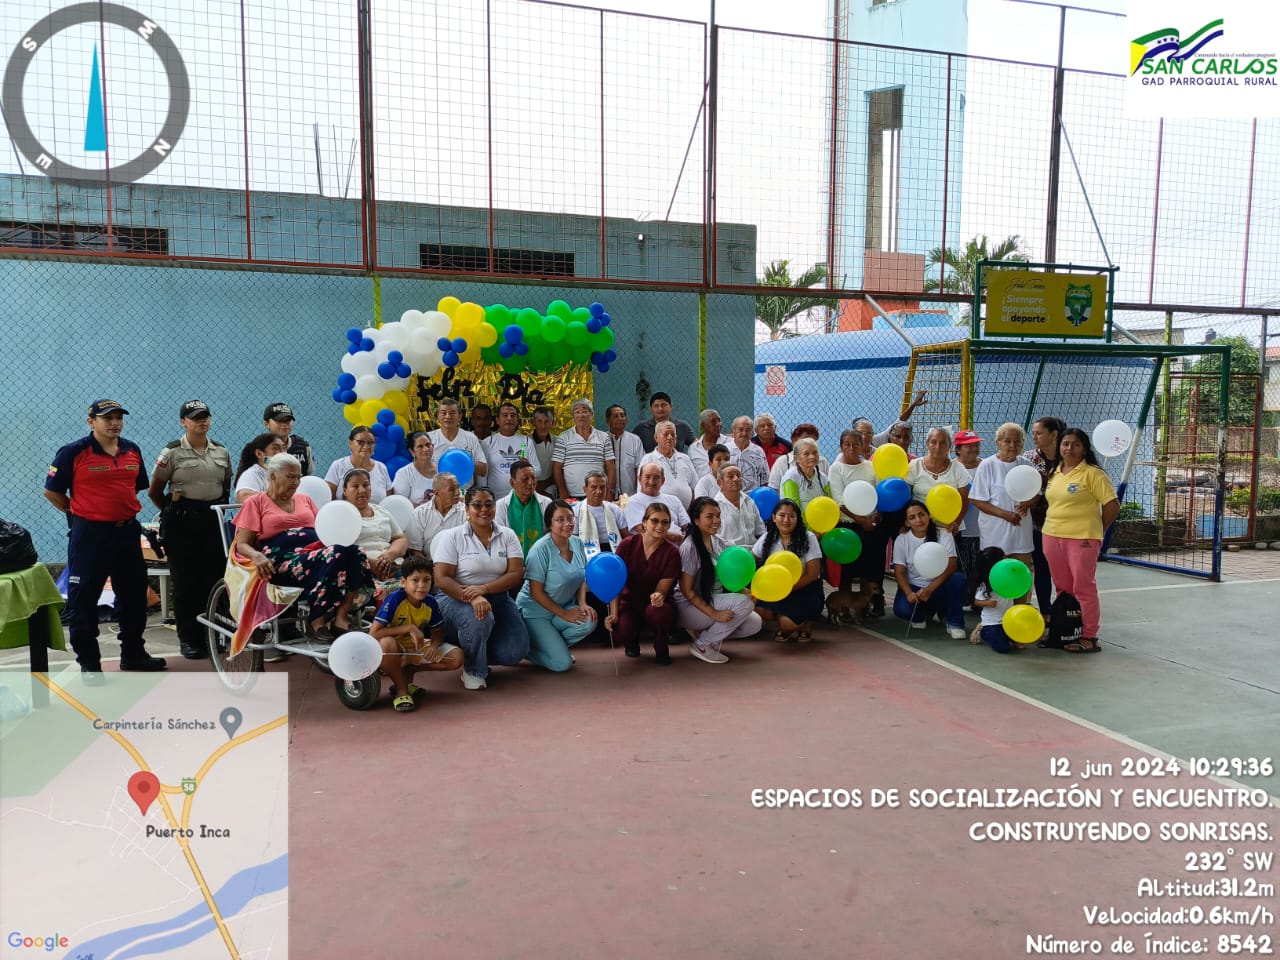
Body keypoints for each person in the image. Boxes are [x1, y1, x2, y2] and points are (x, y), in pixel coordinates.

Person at [44, 398, 166, 676]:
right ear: (91, 422)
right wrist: (78, 512)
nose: (115, 423)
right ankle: (89, 664)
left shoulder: (131, 450)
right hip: (90, 536)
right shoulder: (73, 452)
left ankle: (133, 655)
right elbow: (51, 491)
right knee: (84, 600)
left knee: (133, 597)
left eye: (118, 418)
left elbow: (134, 487)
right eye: (107, 418)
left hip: (126, 533)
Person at [233, 453, 373, 640]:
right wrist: (256, 556)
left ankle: (341, 616)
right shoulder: (256, 502)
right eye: (291, 477)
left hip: (315, 554)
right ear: (273, 475)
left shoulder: (304, 499)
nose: (296, 482)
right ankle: (317, 621)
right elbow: (242, 544)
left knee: (355, 551)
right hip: (281, 561)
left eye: (298, 477)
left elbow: (324, 528)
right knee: (335, 553)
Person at [147, 399, 233, 659]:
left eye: (204, 416)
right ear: (183, 422)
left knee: (214, 579)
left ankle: (212, 636)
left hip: (211, 521)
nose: (201, 421)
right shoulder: (172, 452)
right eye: (195, 417)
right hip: (182, 523)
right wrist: (174, 513)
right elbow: (155, 491)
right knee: (186, 583)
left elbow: (225, 486)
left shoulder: (221, 451)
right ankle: (189, 639)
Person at [431, 486, 530, 690]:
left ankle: (472, 649)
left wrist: (484, 589)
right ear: (467, 509)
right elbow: (441, 578)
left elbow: (515, 573)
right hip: (455, 598)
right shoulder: (453, 536)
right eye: (477, 505)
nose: (484, 509)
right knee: (479, 617)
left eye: (489, 504)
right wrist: (473, 597)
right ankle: (474, 669)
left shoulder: (507, 535)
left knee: (515, 651)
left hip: (498, 597)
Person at [1041, 427, 1120, 654]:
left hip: (1082, 539)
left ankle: (1089, 636)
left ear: (1084, 449)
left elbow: (1112, 505)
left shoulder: (1093, 473)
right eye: (1065, 444)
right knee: (1063, 588)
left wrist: (1097, 530)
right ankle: (1065, 630)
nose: (1069, 448)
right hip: (1051, 535)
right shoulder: (1055, 471)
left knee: (1083, 587)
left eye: (1076, 444)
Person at [370, 556, 464, 712]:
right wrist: (408, 628)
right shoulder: (395, 599)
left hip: (414, 648)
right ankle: (401, 690)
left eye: (427, 580)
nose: (421, 585)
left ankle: (408, 672)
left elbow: (437, 631)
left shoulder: (430, 601)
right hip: (392, 652)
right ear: (403, 582)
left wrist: (434, 646)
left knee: (456, 657)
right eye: (415, 580)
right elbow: (374, 633)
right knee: (387, 643)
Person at [675, 497, 762, 663]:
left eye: (718, 516)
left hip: (712, 598)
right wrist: (713, 613)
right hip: (688, 606)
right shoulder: (690, 547)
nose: (716, 521)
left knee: (754, 624)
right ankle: (703, 645)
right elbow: (687, 591)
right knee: (744, 604)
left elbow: (725, 576)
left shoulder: (718, 542)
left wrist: (744, 591)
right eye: (709, 516)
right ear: (696, 520)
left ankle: (703, 634)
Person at [516, 500, 596, 672]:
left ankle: (554, 648)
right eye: (560, 520)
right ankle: (523, 651)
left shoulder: (577, 543)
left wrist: (582, 603)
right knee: (562, 664)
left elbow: (581, 576)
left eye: (570, 518)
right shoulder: (540, 550)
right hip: (535, 612)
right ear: (549, 524)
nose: (567, 523)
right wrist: (564, 614)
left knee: (589, 620)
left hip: (562, 607)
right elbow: (536, 593)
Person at [605, 502, 682, 665]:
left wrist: (658, 596)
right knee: (620, 631)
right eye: (654, 521)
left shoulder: (672, 552)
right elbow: (615, 582)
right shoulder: (627, 545)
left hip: (657, 604)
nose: (660, 526)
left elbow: (662, 589)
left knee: (659, 613)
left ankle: (661, 647)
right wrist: (614, 613)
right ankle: (631, 643)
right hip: (629, 603)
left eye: (665, 522)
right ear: (644, 523)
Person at [891, 500, 968, 639]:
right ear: (907, 522)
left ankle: (955, 623)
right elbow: (899, 571)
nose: (918, 520)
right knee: (902, 609)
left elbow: (952, 565)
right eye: (912, 517)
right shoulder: (902, 540)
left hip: (939, 586)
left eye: (922, 514)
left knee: (958, 580)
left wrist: (930, 589)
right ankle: (922, 615)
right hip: (916, 588)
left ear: (929, 515)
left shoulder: (944, 534)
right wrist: (909, 593)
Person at [751, 499, 824, 642]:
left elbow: (812, 574)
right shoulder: (767, 537)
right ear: (774, 517)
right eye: (782, 515)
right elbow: (750, 561)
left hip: (804, 589)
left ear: (797, 519)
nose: (786, 520)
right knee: (758, 609)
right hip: (777, 590)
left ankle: (803, 623)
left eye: (792, 516)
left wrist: (786, 589)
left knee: (787, 624)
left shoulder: (808, 537)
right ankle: (786, 620)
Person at [968, 422, 1036, 574]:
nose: (1012, 445)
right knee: (996, 576)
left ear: (1022, 443)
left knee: (1021, 575)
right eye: (1007, 441)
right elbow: (977, 499)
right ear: (998, 442)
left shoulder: (1026, 465)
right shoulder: (987, 465)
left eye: (1017, 441)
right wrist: (1006, 515)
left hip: (1021, 534)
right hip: (995, 534)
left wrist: (1028, 503)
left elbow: (1037, 493)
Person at [828, 428, 883, 607]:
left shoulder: (871, 467)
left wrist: (874, 517)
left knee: (869, 566)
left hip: (870, 523)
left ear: (863, 446)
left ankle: (866, 606)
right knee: (848, 570)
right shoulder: (836, 469)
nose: (851, 448)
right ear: (841, 447)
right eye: (847, 444)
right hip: (848, 525)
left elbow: (879, 493)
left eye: (855, 444)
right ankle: (844, 607)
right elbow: (839, 500)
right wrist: (861, 520)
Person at [1027, 415, 1067, 615]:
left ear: (1054, 435)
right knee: (1041, 567)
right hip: (1038, 524)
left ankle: (1068, 607)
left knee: (1064, 569)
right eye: (1033, 433)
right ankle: (1046, 610)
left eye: (1039, 433)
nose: (1034, 437)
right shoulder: (1028, 459)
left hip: (1066, 524)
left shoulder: (1069, 458)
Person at [341, 469, 408, 582]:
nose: (362, 490)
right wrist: (371, 563)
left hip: (395, 566)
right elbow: (342, 550)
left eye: (366, 485)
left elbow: (400, 538)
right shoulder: (342, 515)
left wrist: (391, 554)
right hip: (362, 571)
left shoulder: (381, 511)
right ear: (345, 491)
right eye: (355, 486)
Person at [904, 427, 972, 530]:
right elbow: (905, 496)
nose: (938, 447)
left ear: (950, 446)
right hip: (919, 527)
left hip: (948, 527)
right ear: (927, 444)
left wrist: (957, 522)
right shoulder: (915, 466)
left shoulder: (958, 468)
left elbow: (965, 500)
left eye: (943, 443)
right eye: (933, 442)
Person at [552, 398, 616, 499]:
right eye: (577, 412)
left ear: (592, 414)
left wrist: (610, 492)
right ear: (573, 416)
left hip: (598, 493)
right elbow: (556, 467)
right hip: (572, 495)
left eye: (584, 411)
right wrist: (563, 492)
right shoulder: (563, 437)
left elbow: (610, 467)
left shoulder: (604, 437)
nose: (581, 415)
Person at [482, 403, 540, 500]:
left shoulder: (526, 441)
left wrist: (528, 466)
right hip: (496, 498)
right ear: (497, 420)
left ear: (517, 420)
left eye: (513, 415)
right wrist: (484, 494)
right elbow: (482, 474)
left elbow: (538, 471)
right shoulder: (488, 442)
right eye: (505, 415)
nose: (509, 418)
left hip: (522, 498)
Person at [953, 430, 985, 602]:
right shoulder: (951, 468)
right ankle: (965, 599)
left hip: (984, 530)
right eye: (968, 446)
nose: (974, 449)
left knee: (981, 568)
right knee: (963, 568)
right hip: (960, 530)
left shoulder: (986, 466)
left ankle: (979, 600)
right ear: (958, 449)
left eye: (976, 445)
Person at [494, 460, 551, 557]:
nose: (531, 482)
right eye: (525, 479)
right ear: (512, 482)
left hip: (541, 557)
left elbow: (550, 535)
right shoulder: (501, 505)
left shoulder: (546, 503)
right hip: (511, 558)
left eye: (533, 478)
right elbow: (500, 538)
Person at [638, 421, 699, 509]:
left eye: (673, 435)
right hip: (659, 512)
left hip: (686, 512)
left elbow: (695, 487)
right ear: (656, 437)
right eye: (665, 434)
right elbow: (642, 490)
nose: (670, 437)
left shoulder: (685, 458)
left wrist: (692, 509)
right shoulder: (648, 459)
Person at [428, 398, 486, 490]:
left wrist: (462, 462)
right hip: (437, 492)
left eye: (452, 413)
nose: (448, 416)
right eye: (443, 413)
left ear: (459, 416)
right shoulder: (428, 439)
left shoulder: (470, 437)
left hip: (465, 492)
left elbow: (483, 470)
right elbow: (419, 467)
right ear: (438, 416)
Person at [624, 463, 690, 541]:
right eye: (647, 477)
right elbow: (644, 530)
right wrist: (678, 537)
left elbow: (687, 526)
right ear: (639, 479)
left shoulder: (674, 500)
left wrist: (686, 538)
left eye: (656, 477)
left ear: (663, 481)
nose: (651, 482)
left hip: (681, 543)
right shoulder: (634, 501)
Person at [325, 425, 392, 502]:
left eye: (370, 442)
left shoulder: (381, 467)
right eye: (360, 442)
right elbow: (328, 497)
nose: (366, 446)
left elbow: (388, 499)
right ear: (350, 443)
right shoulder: (338, 466)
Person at [971, 546, 1017, 654]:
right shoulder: (985, 585)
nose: (1006, 560)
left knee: (1020, 643)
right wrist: (988, 603)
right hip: (992, 623)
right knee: (1003, 648)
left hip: (1009, 620)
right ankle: (982, 629)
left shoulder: (1009, 579)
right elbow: (975, 601)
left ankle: (1008, 637)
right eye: (1003, 558)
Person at [407, 473, 465, 558]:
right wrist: (429, 565)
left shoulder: (465, 512)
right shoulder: (419, 514)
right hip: (427, 563)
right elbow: (415, 551)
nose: (457, 493)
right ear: (436, 493)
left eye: (458, 488)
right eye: (451, 489)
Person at [573, 471, 626, 557]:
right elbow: (573, 540)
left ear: (606, 489)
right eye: (594, 487)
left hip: (612, 550)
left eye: (602, 487)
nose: (598, 491)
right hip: (585, 551)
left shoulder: (615, 509)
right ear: (585, 489)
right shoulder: (576, 511)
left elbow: (626, 536)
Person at [714, 464, 766, 547]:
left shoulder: (749, 501)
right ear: (720, 482)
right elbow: (715, 540)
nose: (736, 479)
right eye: (730, 476)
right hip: (730, 552)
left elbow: (760, 531)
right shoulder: (715, 506)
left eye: (738, 476)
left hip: (753, 551)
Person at [768, 424, 828, 491]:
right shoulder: (782, 462)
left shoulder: (822, 462)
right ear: (794, 441)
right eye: (804, 440)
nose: (809, 444)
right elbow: (774, 489)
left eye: (812, 441)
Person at [780, 437, 832, 513]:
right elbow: (793, 509)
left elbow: (829, 503)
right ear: (796, 458)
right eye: (806, 454)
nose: (812, 457)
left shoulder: (823, 478)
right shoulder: (791, 478)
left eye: (815, 453)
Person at [604, 403, 645, 498]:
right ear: (607, 421)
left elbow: (639, 468)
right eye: (615, 416)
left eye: (622, 416)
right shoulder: (602, 439)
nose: (620, 418)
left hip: (629, 494)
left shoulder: (635, 440)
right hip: (606, 495)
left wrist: (640, 493)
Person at [263, 402, 315, 476]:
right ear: (266, 424)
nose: (284, 424)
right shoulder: (260, 449)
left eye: (288, 420)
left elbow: (308, 475)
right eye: (279, 420)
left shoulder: (303, 447)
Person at [235, 434, 286, 504]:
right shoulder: (252, 474)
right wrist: (277, 497)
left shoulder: (286, 472)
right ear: (259, 453)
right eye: (276, 448)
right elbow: (243, 497)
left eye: (284, 448)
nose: (282, 452)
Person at [391, 432, 437, 506]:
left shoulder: (442, 469)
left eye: (428, 445)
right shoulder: (404, 474)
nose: (426, 449)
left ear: (433, 446)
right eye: (420, 446)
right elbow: (400, 503)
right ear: (412, 451)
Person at [728, 416, 769, 491]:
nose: (744, 433)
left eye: (748, 430)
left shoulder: (759, 451)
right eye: (740, 429)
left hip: (752, 495)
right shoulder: (725, 449)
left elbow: (765, 480)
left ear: (752, 433)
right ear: (733, 431)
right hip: (729, 494)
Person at [687, 409, 732, 479]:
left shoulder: (730, 443)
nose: (718, 424)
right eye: (713, 422)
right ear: (703, 426)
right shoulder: (693, 449)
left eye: (719, 420)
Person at [530, 406, 557, 497]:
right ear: (533, 422)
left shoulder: (558, 441)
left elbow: (560, 468)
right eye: (539, 421)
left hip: (551, 489)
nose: (543, 426)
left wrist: (545, 484)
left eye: (547, 421)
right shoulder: (526, 442)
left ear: (553, 423)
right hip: (531, 488)